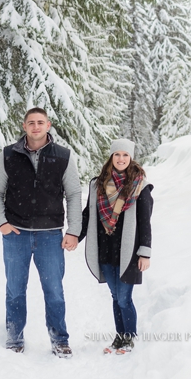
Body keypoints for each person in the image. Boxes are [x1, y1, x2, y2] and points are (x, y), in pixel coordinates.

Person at [0, 107, 81, 357]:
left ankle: (60, 340)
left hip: (50, 236)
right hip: (16, 235)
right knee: (15, 290)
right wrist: (1, 223)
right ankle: (14, 338)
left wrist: (73, 230)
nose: (36, 126)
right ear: (24, 126)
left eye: (40, 122)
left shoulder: (63, 156)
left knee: (54, 292)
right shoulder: (8, 154)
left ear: (48, 125)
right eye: (31, 122)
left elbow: (73, 194)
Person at [79, 138, 154, 355]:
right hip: (106, 249)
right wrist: (75, 236)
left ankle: (129, 338)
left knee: (124, 298)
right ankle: (119, 337)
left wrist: (145, 252)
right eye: (117, 154)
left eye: (125, 155)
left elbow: (145, 222)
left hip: (128, 251)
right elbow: (88, 215)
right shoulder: (98, 185)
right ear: (111, 157)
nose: (121, 159)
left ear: (131, 158)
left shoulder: (139, 186)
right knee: (115, 297)